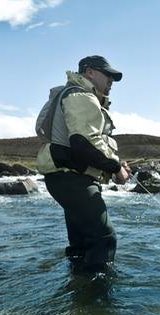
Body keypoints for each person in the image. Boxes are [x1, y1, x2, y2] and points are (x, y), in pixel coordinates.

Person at [35, 55, 131, 273]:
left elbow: (85, 143)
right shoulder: (81, 96)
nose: (111, 81)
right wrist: (116, 168)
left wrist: (115, 163)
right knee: (103, 239)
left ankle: (77, 289)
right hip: (73, 179)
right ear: (89, 72)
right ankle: (97, 302)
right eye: (108, 75)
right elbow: (83, 142)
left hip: (65, 177)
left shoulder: (72, 95)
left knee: (82, 243)